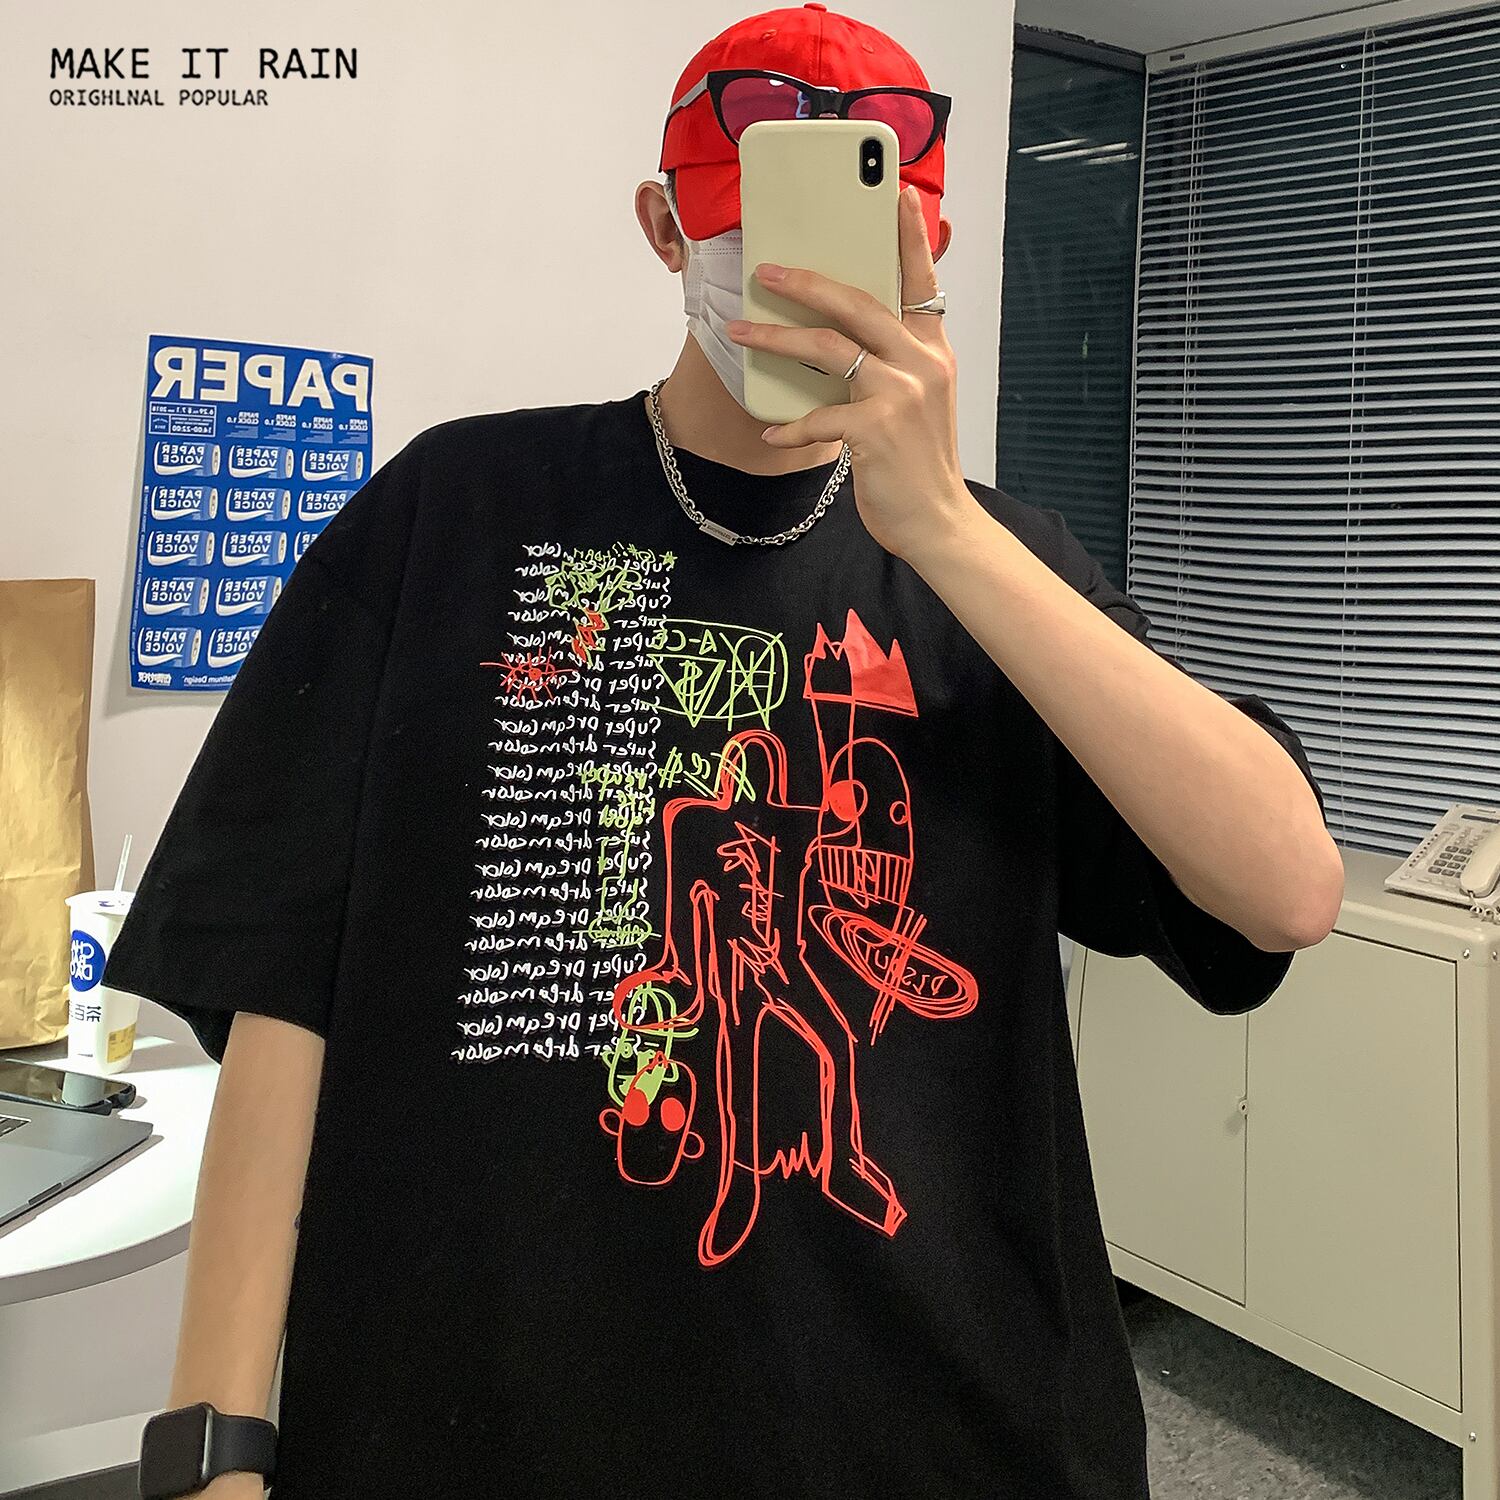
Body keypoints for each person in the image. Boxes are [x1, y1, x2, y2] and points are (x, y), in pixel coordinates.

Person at [107, 6, 1343, 1498]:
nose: (803, 300)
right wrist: (214, 1446)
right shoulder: (457, 507)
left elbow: (1282, 892)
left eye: (856, 253)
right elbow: (279, 978)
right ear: (664, 225)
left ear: (929, 258)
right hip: (481, 1421)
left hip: (944, 1431)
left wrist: (946, 530)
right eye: (756, 239)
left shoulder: (1005, 572)